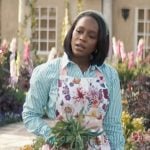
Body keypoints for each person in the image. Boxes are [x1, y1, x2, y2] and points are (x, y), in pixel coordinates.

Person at [22, 10, 125, 149]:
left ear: (99, 43)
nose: (82, 38)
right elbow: (30, 114)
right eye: (79, 31)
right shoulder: (47, 71)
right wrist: (54, 136)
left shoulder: (109, 75)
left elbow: (113, 126)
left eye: (91, 36)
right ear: (71, 33)